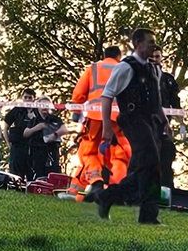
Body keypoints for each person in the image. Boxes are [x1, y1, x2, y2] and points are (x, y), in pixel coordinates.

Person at [92, 28, 169, 224]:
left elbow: (156, 100)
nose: (153, 45)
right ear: (137, 44)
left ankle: (108, 197)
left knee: (146, 168)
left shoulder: (154, 69)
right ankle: (147, 216)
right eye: (149, 41)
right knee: (150, 161)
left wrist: (164, 120)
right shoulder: (125, 67)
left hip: (151, 121)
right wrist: (107, 127)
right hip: (133, 120)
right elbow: (107, 97)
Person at [69, 46, 124, 195]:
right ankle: (118, 187)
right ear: (119, 56)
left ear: (104, 55)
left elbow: (79, 93)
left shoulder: (93, 68)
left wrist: (76, 112)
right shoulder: (124, 69)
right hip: (118, 119)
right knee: (121, 153)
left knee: (88, 152)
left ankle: (96, 180)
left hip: (95, 117)